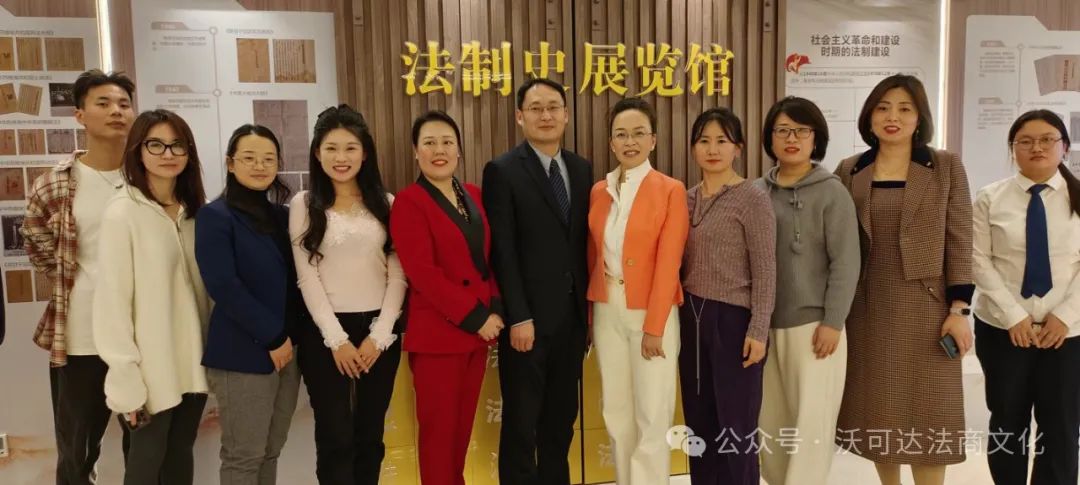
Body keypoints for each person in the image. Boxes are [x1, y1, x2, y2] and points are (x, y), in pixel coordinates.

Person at [834, 74, 973, 485]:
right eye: (883, 108)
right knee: (881, 411)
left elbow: (960, 238)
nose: (892, 117)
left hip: (928, 307)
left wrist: (959, 309)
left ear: (919, 118)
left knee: (930, 415)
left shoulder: (945, 166)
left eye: (904, 108)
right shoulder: (850, 169)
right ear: (869, 117)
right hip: (868, 307)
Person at [20, 69, 135, 485]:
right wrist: (79, 284)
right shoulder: (54, 183)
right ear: (80, 115)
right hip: (81, 336)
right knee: (76, 452)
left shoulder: (150, 178)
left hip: (141, 335)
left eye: (123, 104)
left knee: (147, 448)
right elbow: (37, 245)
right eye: (103, 103)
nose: (116, 111)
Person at [482, 77, 591, 485]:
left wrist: (586, 315)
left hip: (572, 321)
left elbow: (580, 245)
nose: (545, 115)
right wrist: (518, 316)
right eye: (535, 108)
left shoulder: (581, 168)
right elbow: (503, 251)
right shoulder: (503, 170)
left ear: (566, 114)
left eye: (553, 107)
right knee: (522, 424)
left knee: (561, 422)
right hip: (526, 323)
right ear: (519, 116)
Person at [92, 109, 210, 485]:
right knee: (146, 464)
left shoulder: (195, 213)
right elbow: (112, 303)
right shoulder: (122, 212)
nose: (168, 153)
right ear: (138, 151)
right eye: (156, 144)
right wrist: (125, 376)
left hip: (193, 363)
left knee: (180, 458)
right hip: (149, 369)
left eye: (177, 145)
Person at [289, 105, 405, 485]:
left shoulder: (386, 203)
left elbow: (398, 275)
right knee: (335, 436)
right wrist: (336, 340)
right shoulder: (304, 204)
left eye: (350, 148)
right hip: (324, 334)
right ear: (317, 153)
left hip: (378, 332)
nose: (341, 158)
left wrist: (380, 335)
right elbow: (307, 277)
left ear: (365, 153)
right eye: (331, 148)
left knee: (370, 434)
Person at [391, 110, 504, 485]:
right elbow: (423, 273)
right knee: (438, 439)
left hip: (477, 335)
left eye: (447, 142)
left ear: (459, 149)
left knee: (460, 435)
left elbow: (489, 260)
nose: (439, 150)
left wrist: (495, 308)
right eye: (429, 143)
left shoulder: (472, 194)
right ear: (415, 151)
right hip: (439, 338)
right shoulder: (409, 202)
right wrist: (477, 317)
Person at [753, 96, 860, 485]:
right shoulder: (756, 192)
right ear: (770, 138)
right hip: (764, 329)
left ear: (816, 138)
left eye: (801, 130)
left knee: (810, 428)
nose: (791, 138)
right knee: (771, 423)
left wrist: (833, 321)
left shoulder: (832, 193)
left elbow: (846, 262)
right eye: (782, 130)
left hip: (815, 328)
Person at [973, 109, 1080, 485]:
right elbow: (977, 259)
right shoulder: (990, 198)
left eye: (1047, 139)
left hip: (1068, 334)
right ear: (1012, 149)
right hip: (1003, 330)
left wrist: (1065, 315)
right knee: (1007, 420)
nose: (1037, 147)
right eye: (1026, 141)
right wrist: (1013, 316)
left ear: (1064, 147)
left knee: (1061, 425)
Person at [587, 97, 688, 485]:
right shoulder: (600, 190)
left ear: (653, 140)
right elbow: (593, 255)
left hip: (651, 311)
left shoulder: (670, 189)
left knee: (652, 412)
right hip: (607, 309)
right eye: (621, 134)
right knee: (616, 410)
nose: (630, 142)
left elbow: (669, 262)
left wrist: (655, 326)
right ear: (611, 142)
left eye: (638, 133)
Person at [195, 124, 300, 485]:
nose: (260, 166)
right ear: (230, 163)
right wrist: (273, 337)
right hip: (244, 353)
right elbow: (223, 285)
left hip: (289, 352)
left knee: (271, 450)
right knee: (244, 456)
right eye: (249, 158)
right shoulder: (215, 216)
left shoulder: (283, 217)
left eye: (268, 159)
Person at [680, 107, 776, 484]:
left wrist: (759, 329)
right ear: (693, 148)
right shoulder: (686, 198)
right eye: (704, 141)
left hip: (734, 321)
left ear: (738, 147)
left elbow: (766, 269)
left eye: (722, 140)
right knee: (699, 424)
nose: (712, 149)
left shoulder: (753, 198)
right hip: (691, 318)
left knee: (736, 426)